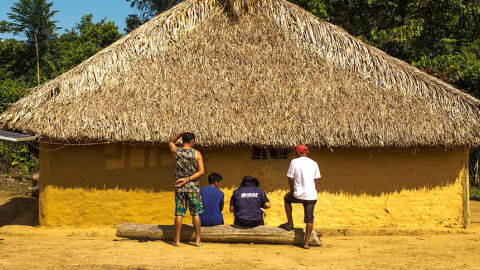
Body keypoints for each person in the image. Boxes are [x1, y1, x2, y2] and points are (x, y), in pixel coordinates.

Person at [280, 145, 320, 249]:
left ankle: (290, 223)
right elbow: (317, 180)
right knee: (309, 219)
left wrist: (292, 191)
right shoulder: (314, 163)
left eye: (296, 153)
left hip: (298, 194)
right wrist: (313, 190)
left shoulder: (294, 162)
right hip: (311, 196)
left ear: (298, 153)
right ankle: (306, 243)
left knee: (286, 199)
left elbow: (290, 178)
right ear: (307, 153)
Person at [168, 131, 205, 247]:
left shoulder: (176, 151)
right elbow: (201, 171)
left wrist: (181, 133)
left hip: (179, 188)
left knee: (179, 213)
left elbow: (170, 141)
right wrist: (188, 179)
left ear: (182, 140)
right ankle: (197, 241)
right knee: (196, 213)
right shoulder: (197, 154)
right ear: (192, 141)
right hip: (193, 188)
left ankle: (177, 240)